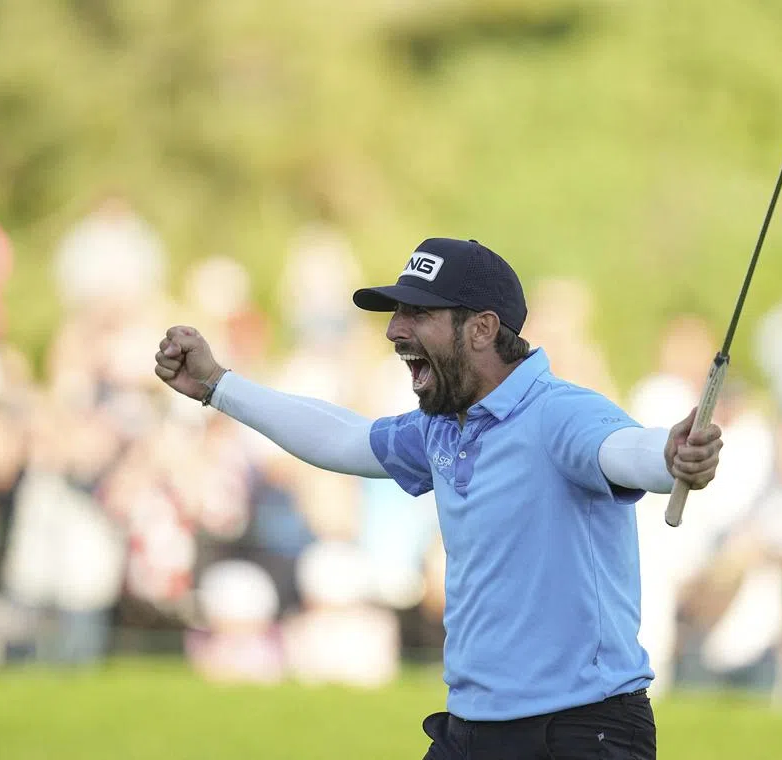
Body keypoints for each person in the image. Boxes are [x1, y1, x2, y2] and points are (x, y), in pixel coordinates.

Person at [153, 238, 724, 760]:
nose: (393, 330)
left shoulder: (561, 412)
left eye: (417, 313)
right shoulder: (443, 425)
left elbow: (621, 449)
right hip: (471, 730)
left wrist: (668, 457)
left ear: (481, 329)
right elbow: (342, 437)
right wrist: (217, 385)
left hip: (578, 732)